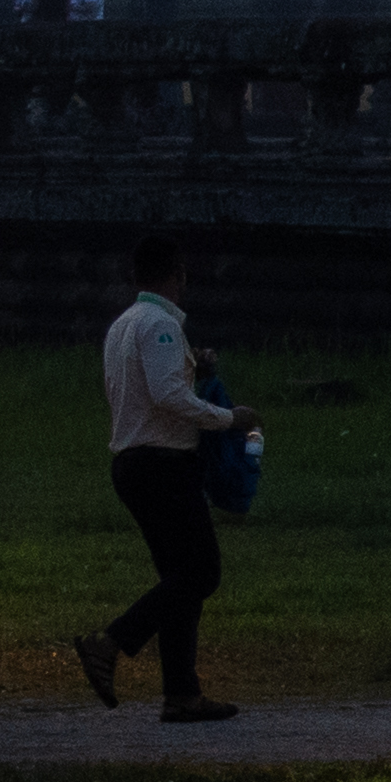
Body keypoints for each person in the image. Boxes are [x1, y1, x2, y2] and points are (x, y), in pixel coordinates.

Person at [89, 226, 249, 726]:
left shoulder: (124, 324)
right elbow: (166, 397)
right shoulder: (159, 324)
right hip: (163, 465)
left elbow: (143, 388)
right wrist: (229, 418)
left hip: (134, 461)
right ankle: (111, 641)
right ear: (177, 274)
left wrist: (191, 368)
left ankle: (182, 692)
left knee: (180, 580)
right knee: (202, 573)